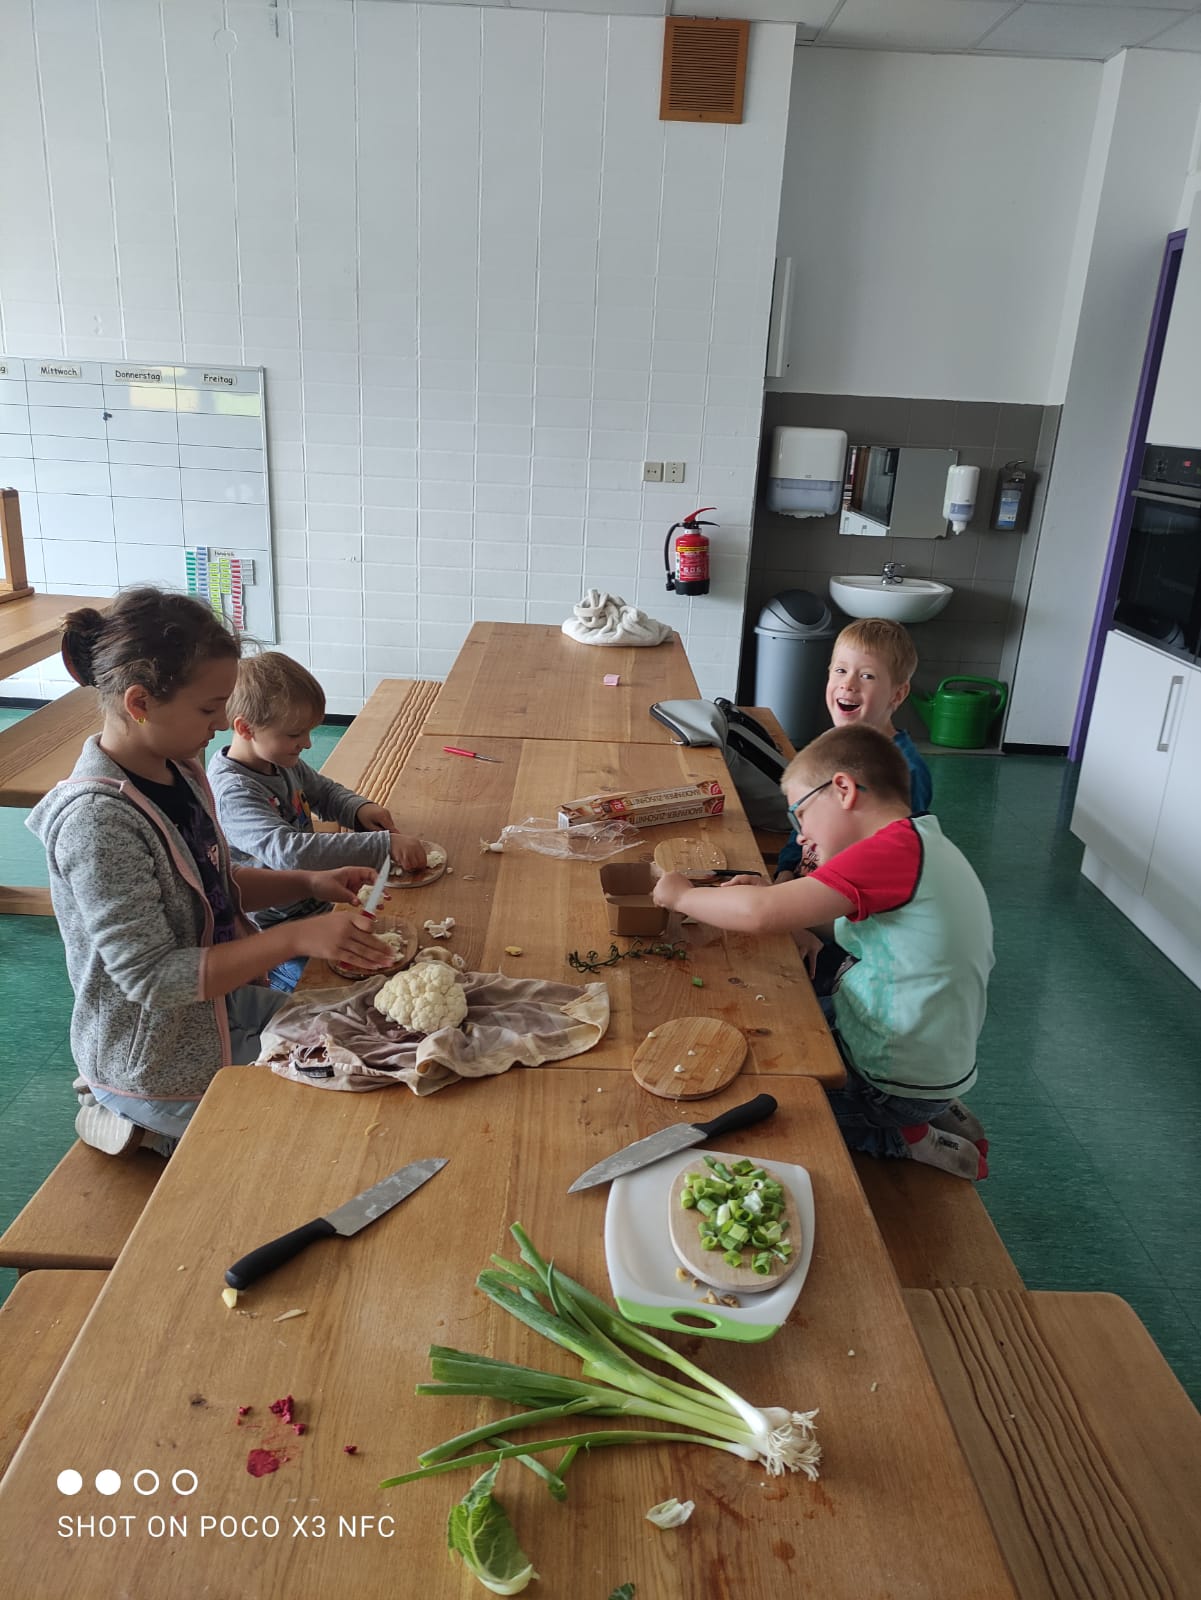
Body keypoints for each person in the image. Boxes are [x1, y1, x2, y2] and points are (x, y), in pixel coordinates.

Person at [27, 589, 391, 1159]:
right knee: (319, 1140)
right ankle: (124, 1111)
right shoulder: (98, 823)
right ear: (140, 702)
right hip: (157, 1057)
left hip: (219, 1006)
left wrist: (307, 884)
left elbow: (211, 884)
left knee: (372, 1037)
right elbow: (152, 979)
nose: (223, 723)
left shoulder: (179, 768)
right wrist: (295, 937)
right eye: (207, 709)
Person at [653, 724, 993, 1180]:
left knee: (757, 1101)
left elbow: (759, 915)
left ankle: (905, 1135)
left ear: (843, 790)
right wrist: (784, 900)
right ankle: (930, 1105)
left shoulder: (889, 850)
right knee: (808, 1012)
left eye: (800, 815)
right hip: (934, 1052)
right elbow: (853, 928)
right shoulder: (921, 840)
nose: (802, 836)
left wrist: (680, 896)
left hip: (894, 1080)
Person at [207, 651, 426, 991]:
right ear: (245, 728)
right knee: (338, 991)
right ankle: (282, 985)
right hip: (278, 934)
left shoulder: (280, 759)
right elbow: (290, 852)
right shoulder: (233, 791)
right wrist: (383, 845)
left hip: (319, 904)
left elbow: (323, 792)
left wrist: (358, 809)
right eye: (296, 734)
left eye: (310, 732)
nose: (308, 744)